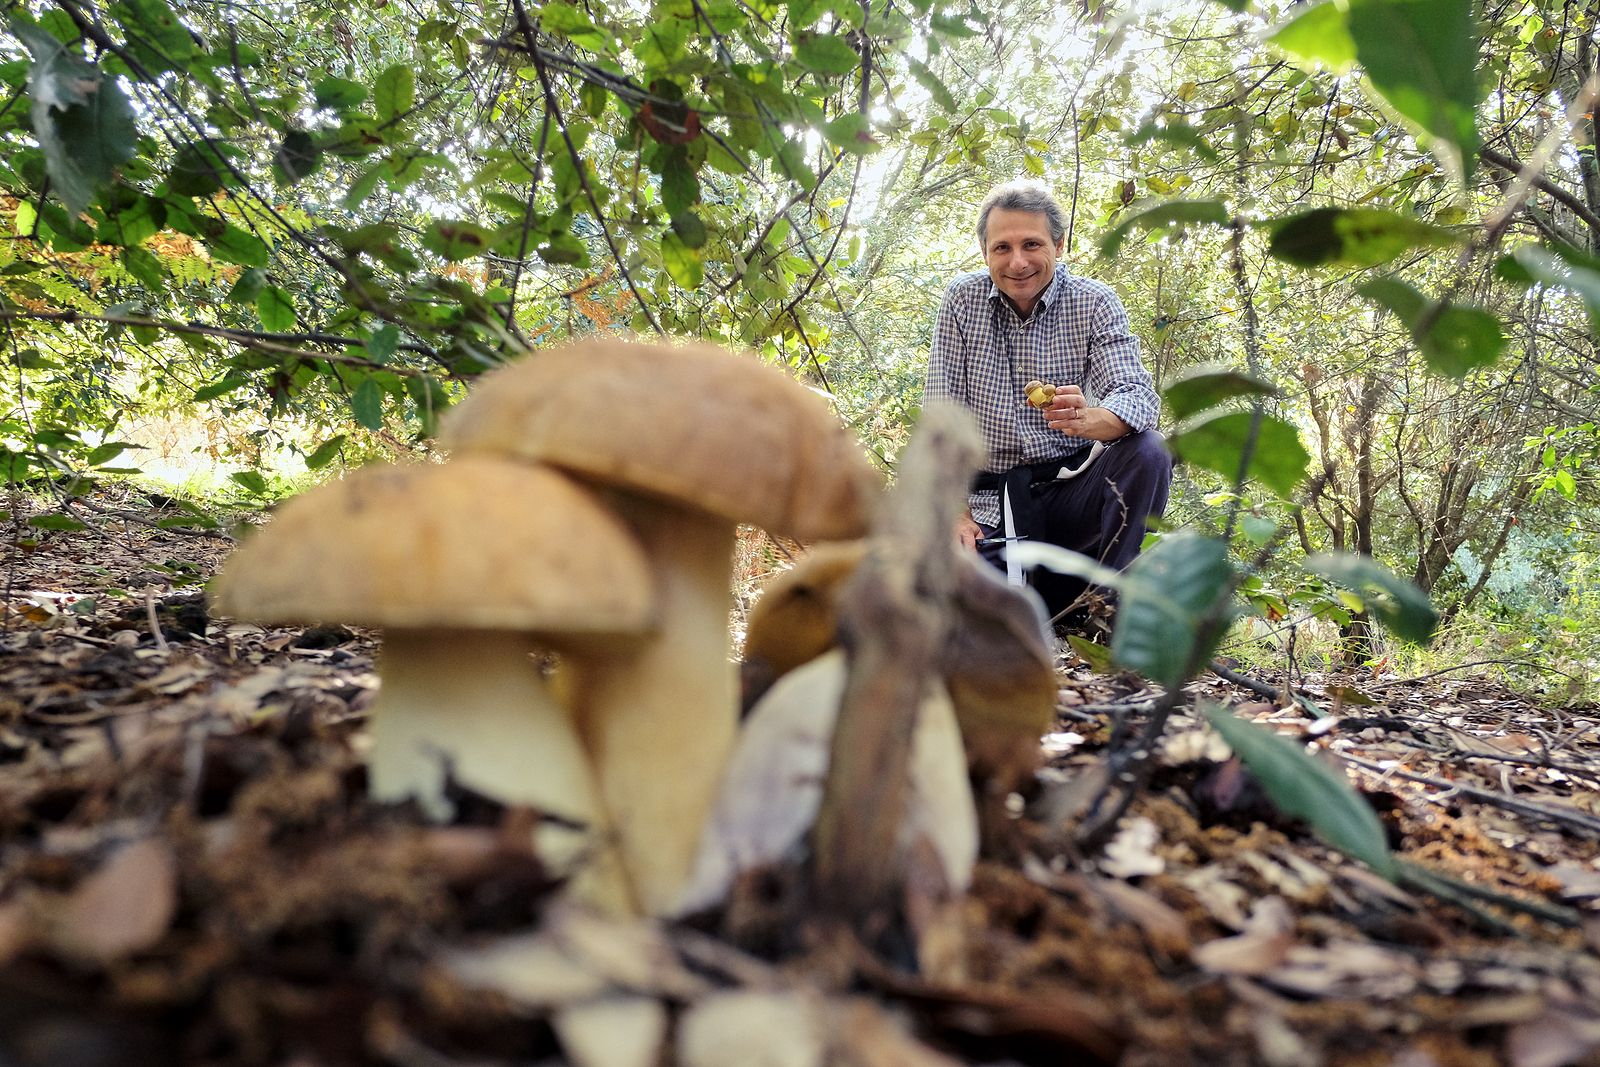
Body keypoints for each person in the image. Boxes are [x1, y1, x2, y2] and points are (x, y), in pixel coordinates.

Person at [924, 179, 1172, 624]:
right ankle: (1046, 604)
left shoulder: (1093, 302)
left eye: (1032, 244)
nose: (1017, 262)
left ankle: (1110, 613)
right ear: (985, 253)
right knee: (959, 608)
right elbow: (941, 416)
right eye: (1002, 248)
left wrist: (1093, 418)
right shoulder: (962, 301)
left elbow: (1138, 396)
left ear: (1059, 245)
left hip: (1068, 495)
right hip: (989, 505)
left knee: (1149, 450)